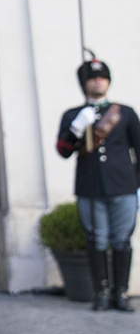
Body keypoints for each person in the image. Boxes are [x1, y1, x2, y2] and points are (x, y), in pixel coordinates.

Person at [55, 57, 138, 313]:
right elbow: (63, 150)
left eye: (102, 77)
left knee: (121, 240)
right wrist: (77, 128)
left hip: (123, 185)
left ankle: (120, 293)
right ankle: (101, 293)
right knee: (96, 240)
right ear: (84, 83)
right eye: (92, 78)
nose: (98, 81)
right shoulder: (73, 115)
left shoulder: (124, 113)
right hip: (90, 186)